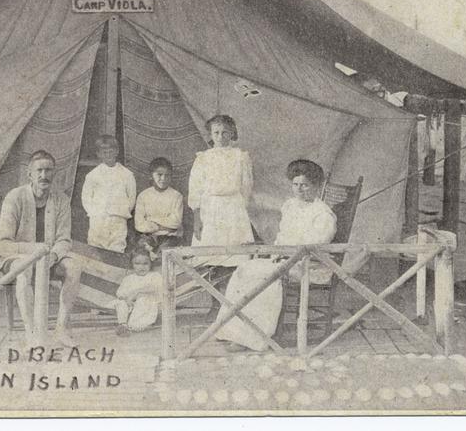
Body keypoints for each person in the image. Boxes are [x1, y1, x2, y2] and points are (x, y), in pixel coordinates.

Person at [216, 159, 337, 352]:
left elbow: (314, 248)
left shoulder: (323, 215)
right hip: (284, 260)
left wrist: (285, 258)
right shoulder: (290, 206)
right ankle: (232, 331)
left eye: (305, 185)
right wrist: (276, 253)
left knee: (263, 276)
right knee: (245, 268)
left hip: (309, 266)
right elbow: (282, 237)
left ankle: (253, 337)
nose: (299, 190)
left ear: (316, 185)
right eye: (295, 185)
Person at [0, 150, 82, 347]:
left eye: (48, 170)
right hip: (18, 256)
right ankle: (31, 333)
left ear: (54, 173)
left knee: (74, 268)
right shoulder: (15, 197)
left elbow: (64, 239)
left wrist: (53, 255)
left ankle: (61, 328)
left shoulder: (61, 200)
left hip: (49, 257)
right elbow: (4, 242)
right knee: (25, 271)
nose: (44, 175)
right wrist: (34, 253)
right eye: (39, 171)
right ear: (30, 174)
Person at [188, 114, 254, 249]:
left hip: (234, 206)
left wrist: (240, 207)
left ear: (232, 134)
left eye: (225, 133)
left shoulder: (241, 157)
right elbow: (195, 189)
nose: (220, 137)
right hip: (210, 207)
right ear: (211, 135)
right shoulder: (203, 158)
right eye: (216, 133)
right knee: (210, 249)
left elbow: (246, 186)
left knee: (235, 249)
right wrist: (197, 219)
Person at [81, 135, 136, 253]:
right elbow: (86, 198)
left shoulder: (127, 175)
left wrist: (120, 211)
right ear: (99, 154)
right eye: (104, 152)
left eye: (111, 151)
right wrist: (96, 213)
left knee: (117, 247)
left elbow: (131, 198)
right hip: (98, 220)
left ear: (117, 151)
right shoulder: (93, 175)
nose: (108, 155)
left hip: (118, 219)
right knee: (95, 248)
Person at [134, 157, 184, 258]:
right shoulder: (143, 196)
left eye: (167, 175)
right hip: (148, 237)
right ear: (151, 175)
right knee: (141, 254)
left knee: (164, 258)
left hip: (170, 238)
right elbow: (139, 225)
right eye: (159, 175)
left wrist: (151, 220)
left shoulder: (176, 196)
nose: (163, 179)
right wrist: (162, 226)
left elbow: (176, 222)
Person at [109, 247, 163, 336]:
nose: (141, 267)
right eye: (137, 264)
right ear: (132, 265)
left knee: (143, 302)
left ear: (151, 264)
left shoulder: (154, 276)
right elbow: (120, 293)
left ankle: (133, 326)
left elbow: (157, 287)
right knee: (120, 303)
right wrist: (126, 300)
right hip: (130, 304)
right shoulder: (128, 278)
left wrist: (138, 292)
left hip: (147, 302)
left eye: (145, 264)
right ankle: (123, 325)